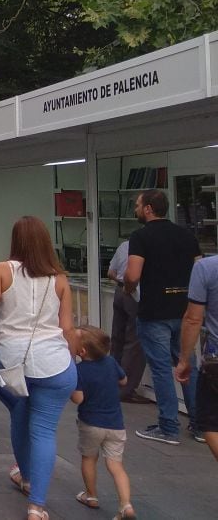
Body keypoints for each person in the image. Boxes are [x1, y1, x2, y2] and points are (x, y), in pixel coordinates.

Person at [0, 216, 76, 520]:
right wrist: (74, 362)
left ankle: (27, 477)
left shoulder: (2, 271)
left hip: (13, 361)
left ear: (15, 240)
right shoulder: (60, 278)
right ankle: (37, 505)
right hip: (55, 363)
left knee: (20, 415)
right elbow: (67, 328)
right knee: (44, 430)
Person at [123, 188, 201, 444]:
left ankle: (168, 426)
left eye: (137, 205)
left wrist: (128, 287)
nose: (135, 209)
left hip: (154, 311)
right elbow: (199, 271)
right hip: (185, 309)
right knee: (187, 364)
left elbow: (133, 275)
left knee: (161, 370)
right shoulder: (187, 236)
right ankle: (201, 424)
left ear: (148, 209)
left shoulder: (141, 237)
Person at [70, 325, 135, 519]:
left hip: (91, 423)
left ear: (81, 352)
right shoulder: (111, 362)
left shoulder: (79, 370)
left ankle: (91, 495)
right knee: (116, 465)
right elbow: (123, 381)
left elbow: (78, 399)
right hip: (115, 425)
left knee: (89, 458)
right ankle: (126, 505)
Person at [176, 251, 218, 459]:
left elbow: (193, 319)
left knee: (209, 423)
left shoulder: (206, 268)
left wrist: (184, 359)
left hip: (215, 361)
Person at [105, 239, 148, 402]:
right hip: (135, 293)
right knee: (135, 342)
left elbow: (110, 273)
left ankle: (112, 381)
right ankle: (126, 389)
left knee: (117, 338)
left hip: (120, 292)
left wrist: (122, 283)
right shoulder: (145, 246)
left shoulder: (124, 245)